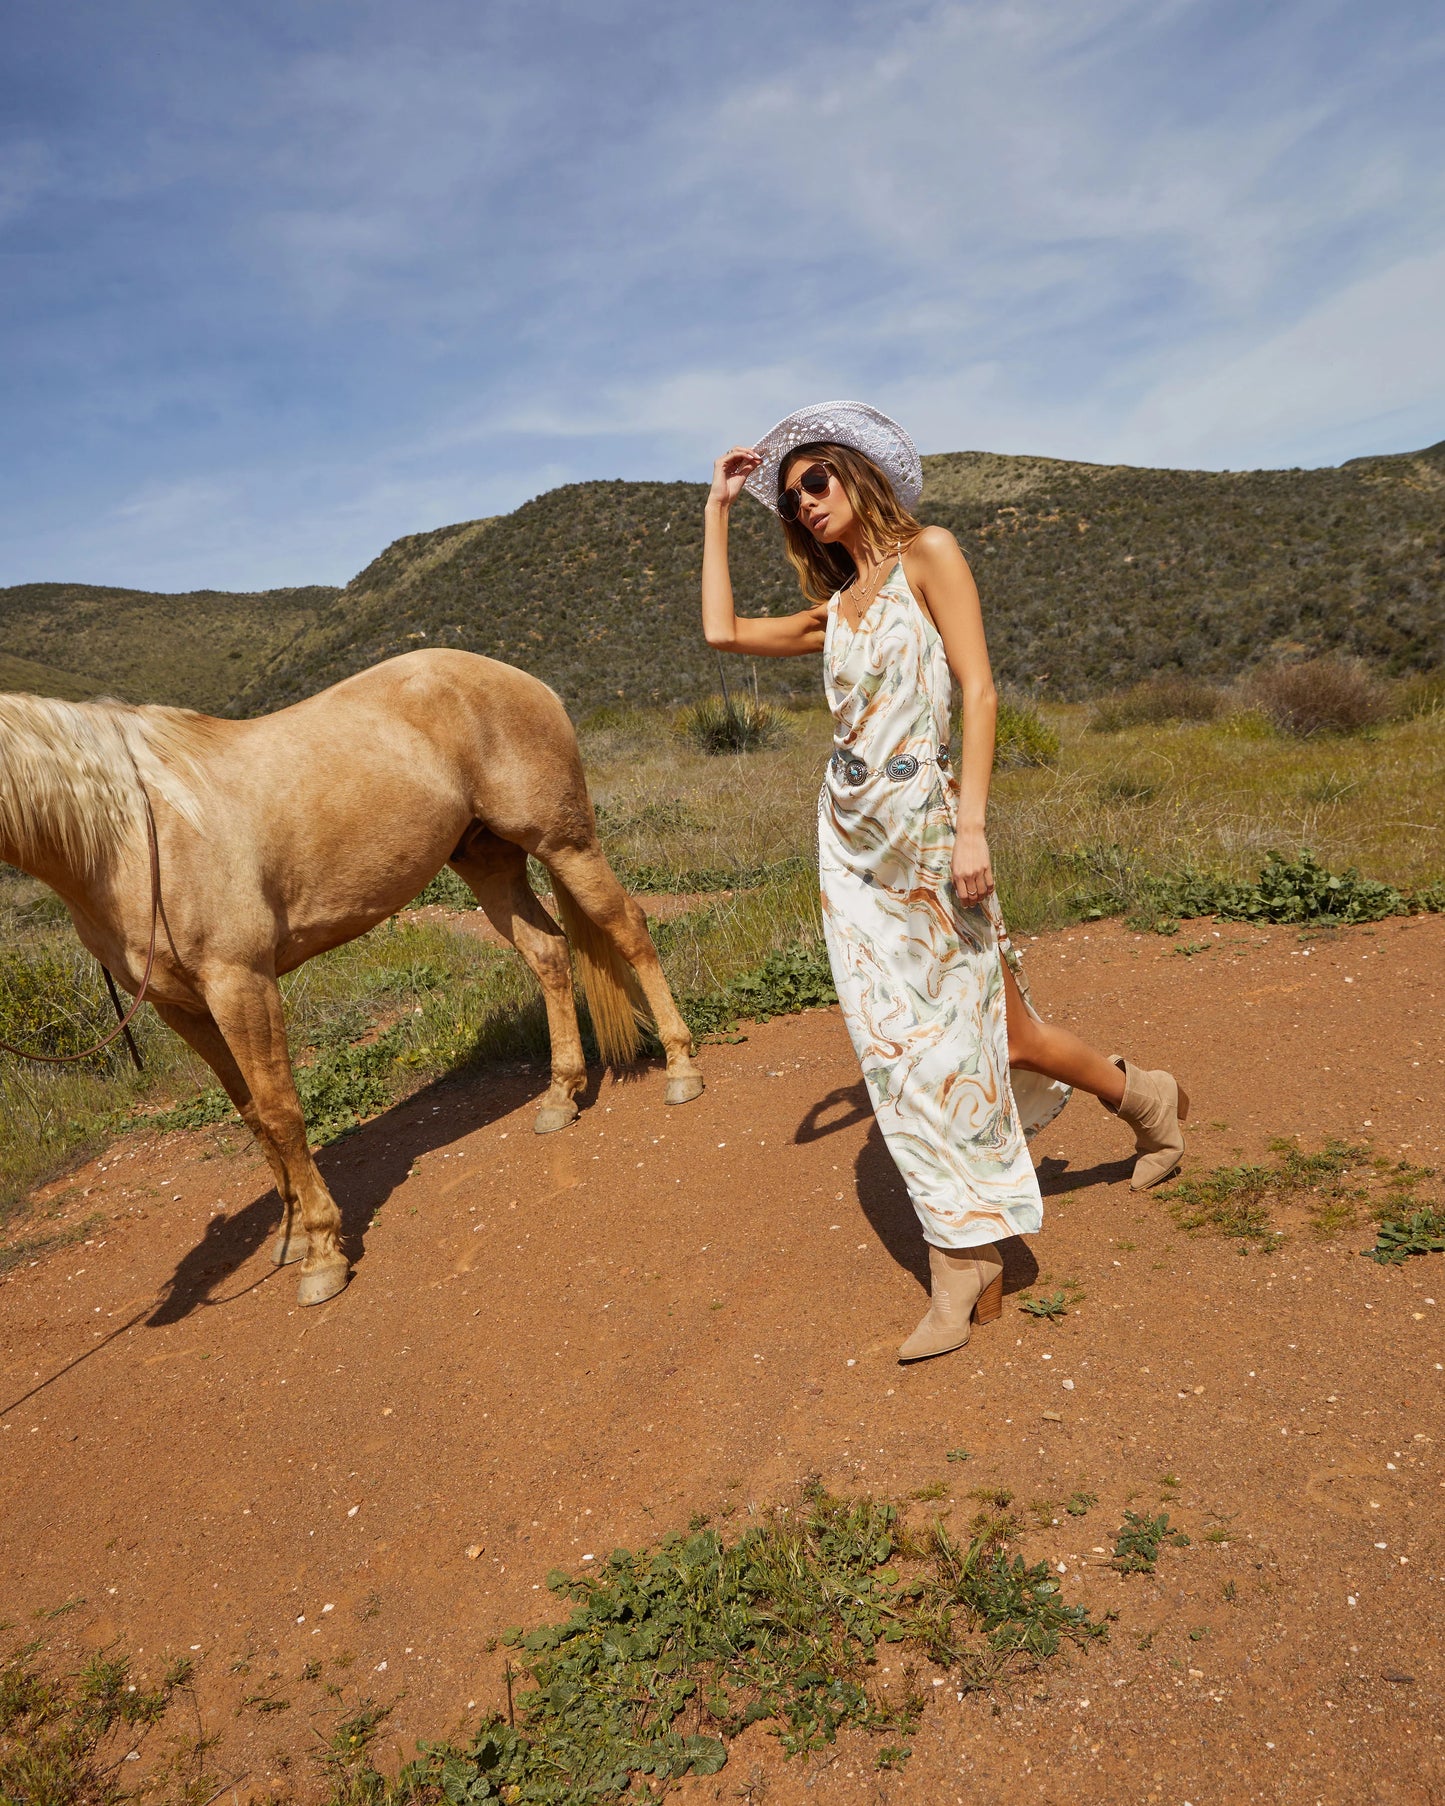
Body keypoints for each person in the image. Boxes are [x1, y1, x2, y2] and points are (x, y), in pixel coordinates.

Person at [700, 401, 1188, 1364]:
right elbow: (719, 634)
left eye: (815, 482)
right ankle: (965, 1256)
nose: (803, 503)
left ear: (854, 475)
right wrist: (717, 508)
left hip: (930, 836)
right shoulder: (828, 610)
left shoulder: (929, 554)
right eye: (789, 497)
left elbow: (979, 687)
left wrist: (971, 826)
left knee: (998, 1033)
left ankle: (1142, 1102)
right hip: (848, 848)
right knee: (899, 1049)